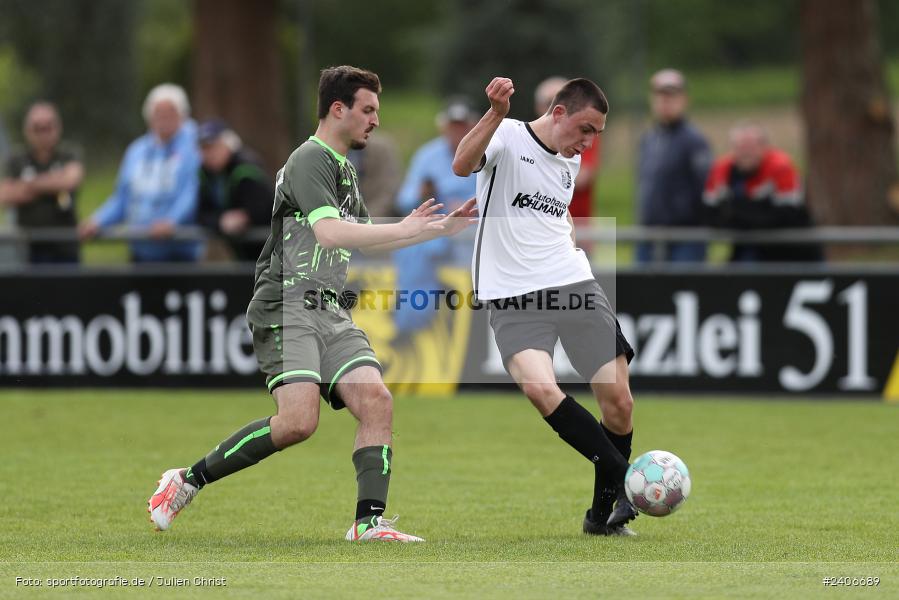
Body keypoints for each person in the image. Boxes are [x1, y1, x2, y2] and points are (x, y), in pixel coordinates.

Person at [147, 66, 477, 543]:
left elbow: (365, 240)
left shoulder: (342, 167)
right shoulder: (309, 159)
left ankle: (368, 523)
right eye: (368, 110)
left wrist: (435, 228)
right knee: (299, 422)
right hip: (287, 303)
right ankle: (186, 480)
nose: (376, 120)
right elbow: (329, 232)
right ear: (338, 110)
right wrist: (407, 229)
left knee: (376, 402)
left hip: (328, 307)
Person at [452, 77, 639, 536]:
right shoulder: (509, 135)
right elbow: (462, 165)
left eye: (597, 134)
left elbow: (557, 220)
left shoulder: (568, 164)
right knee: (540, 389)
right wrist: (494, 112)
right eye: (585, 129)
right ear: (558, 113)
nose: (588, 143)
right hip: (513, 296)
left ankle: (601, 518)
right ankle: (626, 479)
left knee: (619, 403)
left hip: (572, 283)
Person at [78, 84, 202, 262]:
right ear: (148, 117)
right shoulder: (136, 151)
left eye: (170, 114)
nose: (164, 119)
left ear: (183, 116)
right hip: (141, 252)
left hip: (179, 254)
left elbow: (192, 193)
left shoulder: (194, 149)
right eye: (159, 114)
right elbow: (122, 198)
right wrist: (97, 221)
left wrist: (171, 222)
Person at [392, 97, 478, 342]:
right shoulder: (427, 155)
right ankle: (411, 322)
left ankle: (410, 321)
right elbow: (405, 198)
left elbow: (497, 199)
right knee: (414, 251)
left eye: (462, 126)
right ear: (444, 127)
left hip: (471, 235)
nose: (458, 131)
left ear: (472, 127)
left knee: (419, 250)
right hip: (436, 232)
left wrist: (467, 206)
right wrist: (423, 195)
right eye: (453, 126)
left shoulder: (487, 153)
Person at [704, 122, 823, 262]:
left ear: (764, 147)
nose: (746, 152)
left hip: (794, 250)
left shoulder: (780, 167)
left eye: (752, 147)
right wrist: (752, 215)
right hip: (748, 248)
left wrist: (737, 214)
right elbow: (709, 214)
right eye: (741, 147)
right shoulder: (721, 170)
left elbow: (787, 216)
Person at [635, 69, 711, 263]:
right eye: (660, 95)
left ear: (684, 99)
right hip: (650, 235)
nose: (665, 101)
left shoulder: (694, 142)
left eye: (671, 96)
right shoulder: (649, 139)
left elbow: (704, 188)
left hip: (684, 238)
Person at [0, 102, 83, 263]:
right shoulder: (17, 159)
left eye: (48, 127)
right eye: (38, 128)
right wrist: (53, 182)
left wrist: (27, 184)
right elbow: (4, 195)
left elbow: (70, 181)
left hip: (65, 248)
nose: (44, 134)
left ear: (58, 128)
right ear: (27, 131)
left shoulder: (68, 153)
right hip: (27, 250)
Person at [197, 119, 273, 261]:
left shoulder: (247, 167)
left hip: (272, 251)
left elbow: (264, 208)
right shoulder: (205, 174)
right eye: (203, 148)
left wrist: (246, 217)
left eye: (213, 146)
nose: (209, 153)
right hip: (243, 253)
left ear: (228, 145)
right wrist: (221, 221)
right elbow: (202, 214)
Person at [535, 77, 599, 221]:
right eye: (549, 103)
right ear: (538, 107)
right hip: (540, 223)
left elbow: (583, 177)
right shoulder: (529, 136)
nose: (557, 108)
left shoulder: (584, 134)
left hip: (577, 221)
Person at [346, 131, 401, 219]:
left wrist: (365, 219)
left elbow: (390, 191)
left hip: (376, 216)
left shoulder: (381, 147)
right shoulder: (325, 148)